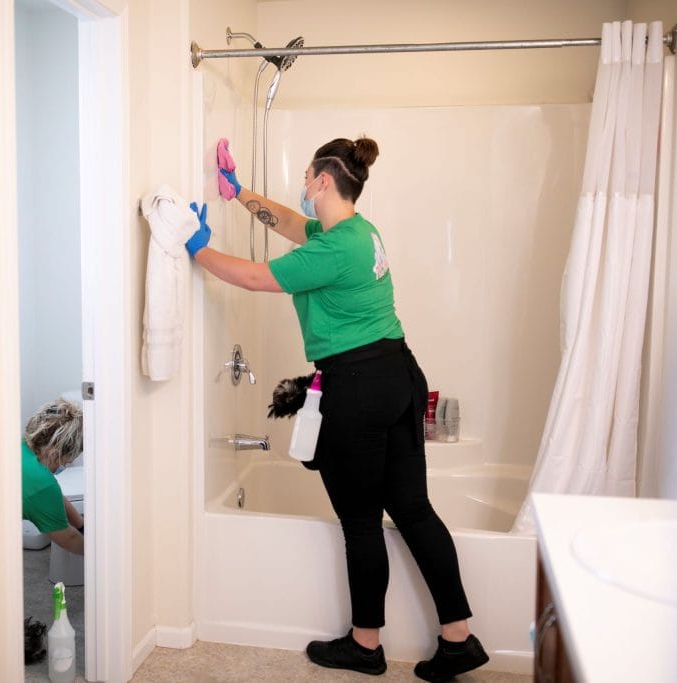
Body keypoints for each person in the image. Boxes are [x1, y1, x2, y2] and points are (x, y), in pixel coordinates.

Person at [186, 136, 489, 681]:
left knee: (361, 523)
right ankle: (458, 640)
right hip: (399, 373)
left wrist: (196, 248)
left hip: (359, 386)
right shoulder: (357, 233)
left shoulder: (331, 249)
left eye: (306, 178)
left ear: (324, 179)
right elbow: (288, 223)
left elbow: (256, 278)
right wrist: (236, 195)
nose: (302, 188)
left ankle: (365, 645)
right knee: (414, 511)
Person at [22, 399, 85, 556]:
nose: (61, 467)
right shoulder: (42, 484)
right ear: (54, 453)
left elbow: (54, 496)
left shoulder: (21, 445)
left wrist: (81, 526)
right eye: (64, 462)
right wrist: (104, 561)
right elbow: (68, 538)